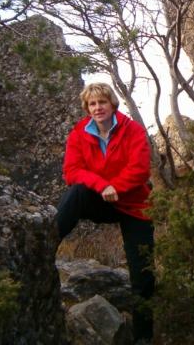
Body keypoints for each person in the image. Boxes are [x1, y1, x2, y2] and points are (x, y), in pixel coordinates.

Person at [57, 82, 154, 344]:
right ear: (87, 108)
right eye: (92, 104)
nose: (98, 108)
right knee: (76, 193)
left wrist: (117, 186)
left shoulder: (132, 130)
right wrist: (103, 185)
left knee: (142, 272)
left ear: (112, 104)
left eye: (102, 102)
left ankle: (144, 337)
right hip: (102, 199)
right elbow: (72, 171)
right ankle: (46, 243)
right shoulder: (79, 133)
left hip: (134, 205)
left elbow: (140, 169)